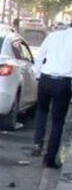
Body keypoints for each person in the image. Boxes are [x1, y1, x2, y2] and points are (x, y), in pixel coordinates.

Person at [33, 25, 72, 168]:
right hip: (64, 82)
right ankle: (49, 157)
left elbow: (39, 56)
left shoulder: (53, 35)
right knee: (57, 121)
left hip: (45, 79)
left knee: (41, 112)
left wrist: (38, 75)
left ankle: (37, 143)